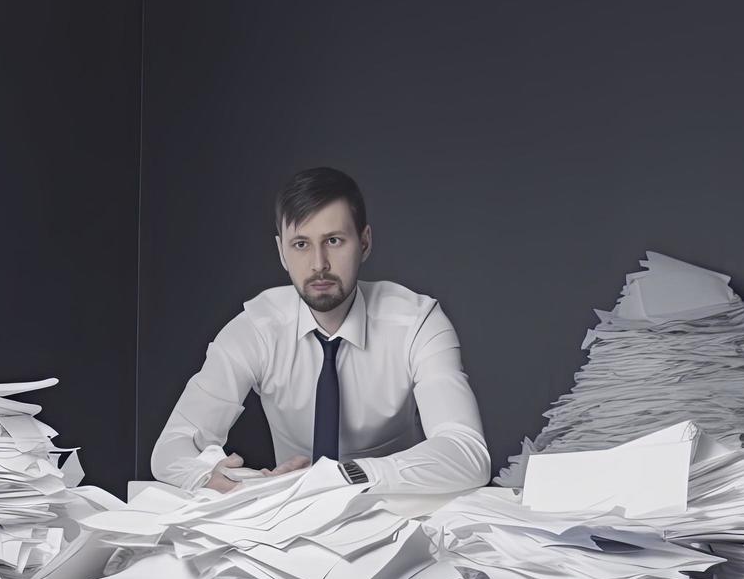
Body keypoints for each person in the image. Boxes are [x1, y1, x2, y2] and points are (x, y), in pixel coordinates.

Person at [151, 166, 490, 494]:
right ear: (282, 252)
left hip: (396, 510)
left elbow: (467, 453)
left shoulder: (417, 322)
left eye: (334, 240)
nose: (318, 264)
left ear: (365, 242)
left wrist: (343, 478)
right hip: (289, 515)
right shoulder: (256, 329)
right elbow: (171, 448)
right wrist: (218, 478)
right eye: (301, 244)